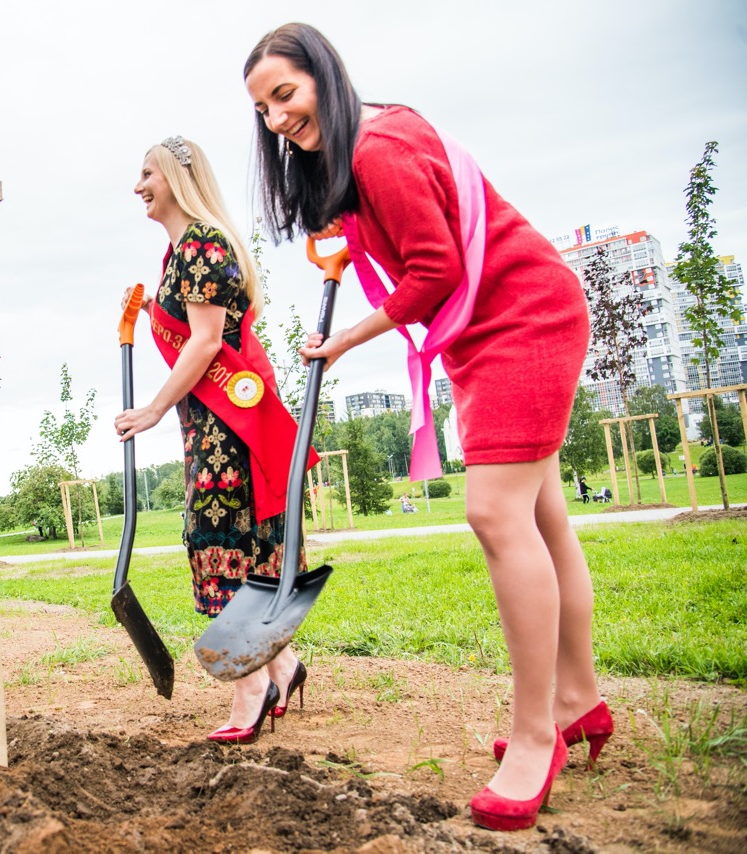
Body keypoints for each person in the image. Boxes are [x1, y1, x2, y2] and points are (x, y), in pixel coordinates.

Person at [245, 24, 609, 831]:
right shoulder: (363, 149)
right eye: (264, 109)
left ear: (323, 78)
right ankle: (578, 698)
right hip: (488, 330)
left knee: (494, 514)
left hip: (523, 318)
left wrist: (345, 339)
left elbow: (437, 268)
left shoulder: (378, 148)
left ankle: (533, 734)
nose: (277, 119)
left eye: (286, 94)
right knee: (544, 518)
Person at [113, 136, 309, 746]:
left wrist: (152, 408)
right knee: (234, 543)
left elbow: (203, 345)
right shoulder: (178, 254)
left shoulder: (202, 243)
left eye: (148, 173)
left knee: (223, 542)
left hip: (232, 429)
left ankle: (250, 687)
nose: (139, 184)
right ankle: (281, 668)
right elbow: (189, 334)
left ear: (177, 175)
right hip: (210, 428)